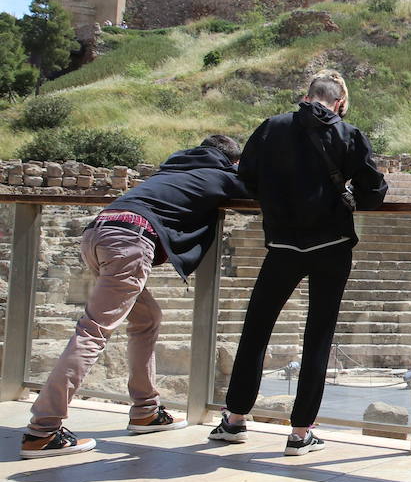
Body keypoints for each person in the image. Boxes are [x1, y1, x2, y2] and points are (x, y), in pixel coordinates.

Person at [20, 135, 247, 458]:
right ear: (233, 161)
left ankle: (146, 410)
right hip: (129, 242)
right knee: (93, 331)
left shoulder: (173, 166)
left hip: (99, 231)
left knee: (146, 317)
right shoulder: (221, 175)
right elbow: (261, 190)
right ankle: (43, 429)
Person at [209, 70, 388, 456]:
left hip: (283, 243)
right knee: (318, 335)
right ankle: (300, 432)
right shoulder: (349, 134)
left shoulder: (271, 128)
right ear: (339, 101)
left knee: (257, 327)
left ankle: (235, 419)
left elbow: (247, 179)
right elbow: (374, 193)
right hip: (332, 243)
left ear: (307, 95)